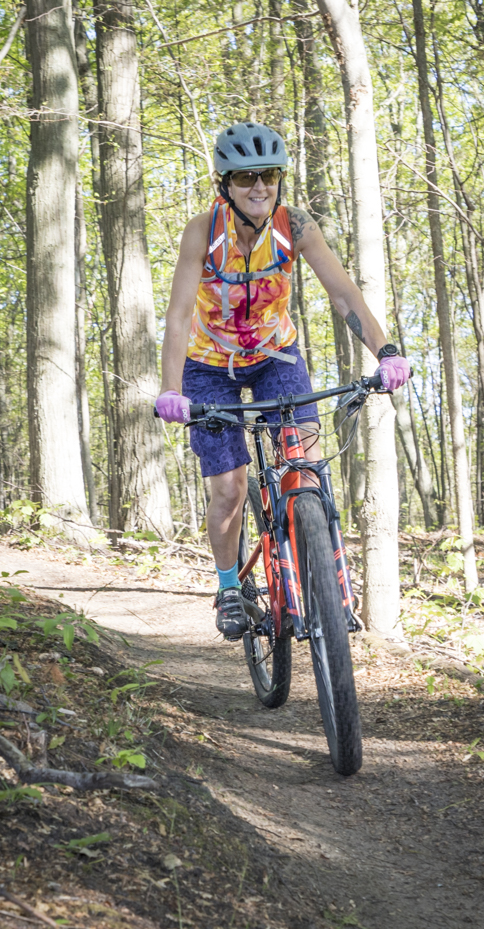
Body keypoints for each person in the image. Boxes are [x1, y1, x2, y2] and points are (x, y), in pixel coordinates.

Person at [156, 122, 411, 639]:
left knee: (306, 466)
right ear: (224, 183)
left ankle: (327, 581)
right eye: (246, 177)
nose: (259, 187)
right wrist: (171, 388)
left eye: (268, 175)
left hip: (277, 356)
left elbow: (344, 295)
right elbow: (180, 315)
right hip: (208, 365)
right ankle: (230, 586)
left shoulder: (296, 226)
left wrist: (385, 351)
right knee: (229, 487)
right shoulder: (203, 231)